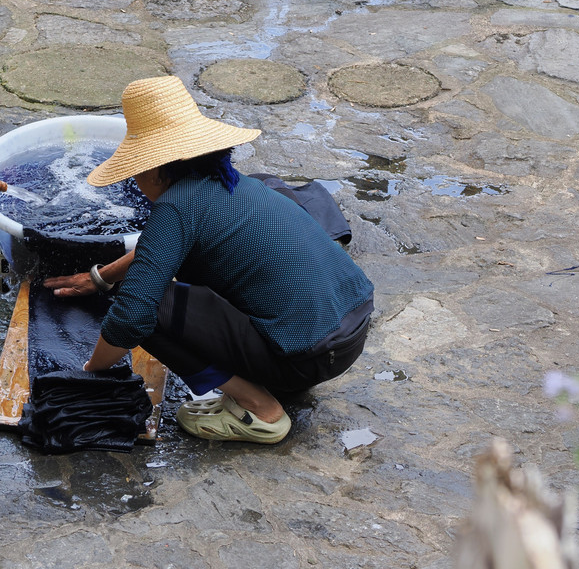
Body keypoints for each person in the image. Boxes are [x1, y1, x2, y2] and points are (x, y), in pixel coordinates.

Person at [43, 76, 374, 444]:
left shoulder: (175, 207)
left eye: (135, 171)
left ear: (155, 170)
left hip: (308, 356)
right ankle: (271, 371)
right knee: (171, 287)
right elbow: (159, 249)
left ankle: (261, 410)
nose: (135, 180)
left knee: (148, 309)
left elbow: (132, 317)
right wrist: (102, 277)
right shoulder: (238, 183)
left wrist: (90, 372)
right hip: (351, 329)